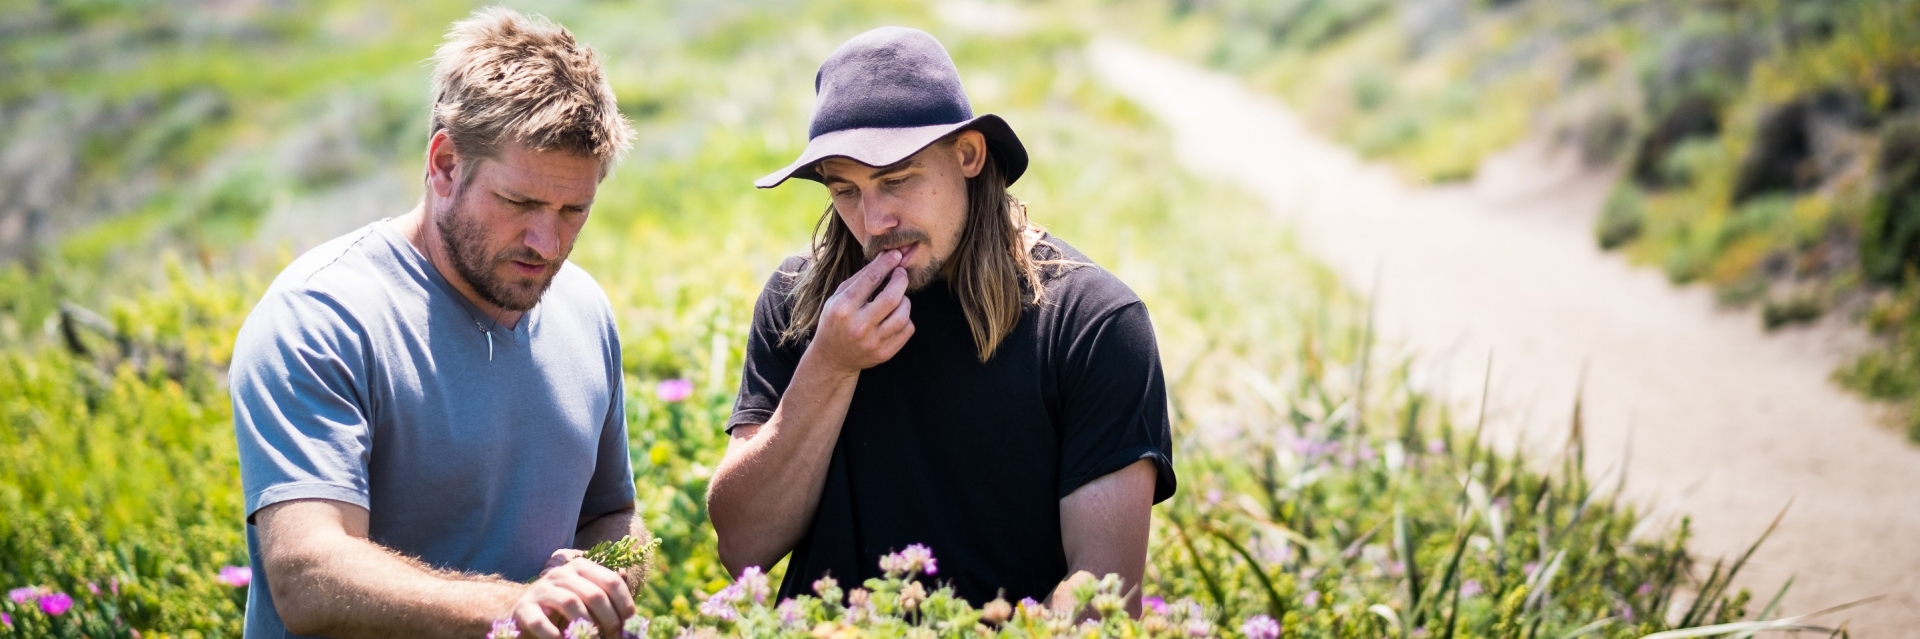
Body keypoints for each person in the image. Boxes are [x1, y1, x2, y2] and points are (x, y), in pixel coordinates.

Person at [705, 26, 1176, 614]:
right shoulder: (801, 300)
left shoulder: (1094, 323)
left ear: (969, 154)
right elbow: (742, 547)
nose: (874, 220)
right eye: (845, 190)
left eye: (896, 179)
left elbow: (1101, 599)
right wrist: (829, 365)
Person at [229, 8, 643, 638]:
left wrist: (602, 580)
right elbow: (307, 575)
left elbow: (612, 514)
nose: (548, 242)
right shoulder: (320, 316)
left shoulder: (583, 309)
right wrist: (513, 608)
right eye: (520, 202)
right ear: (446, 163)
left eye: (573, 210)